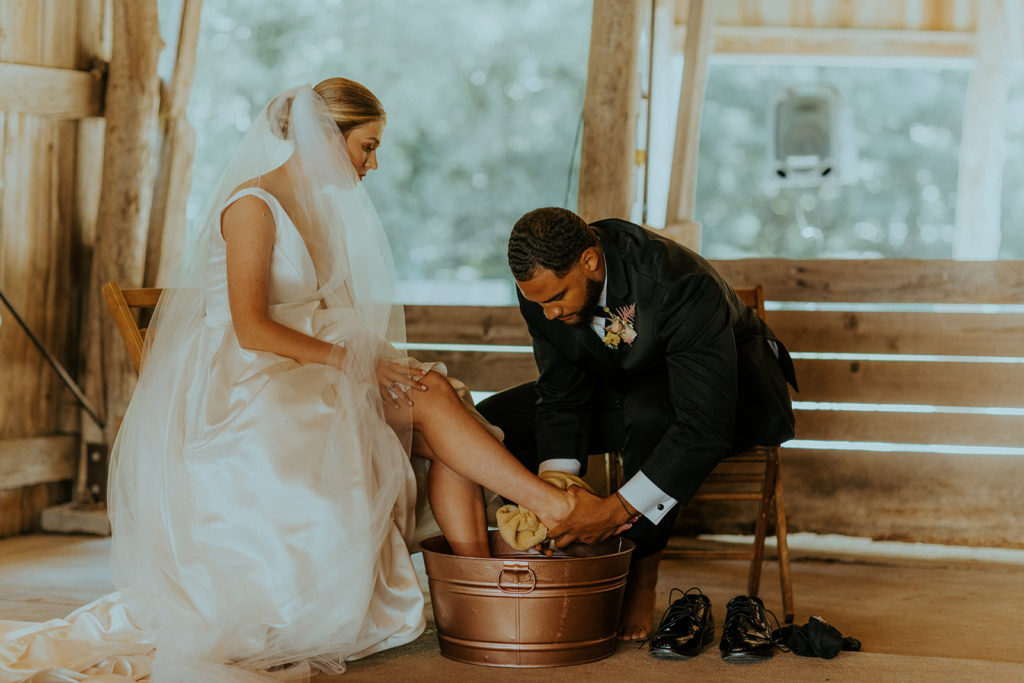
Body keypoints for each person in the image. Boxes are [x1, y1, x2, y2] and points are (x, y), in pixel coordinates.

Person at [0, 80, 572, 682]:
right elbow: (251, 329)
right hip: (251, 379)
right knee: (434, 410)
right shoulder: (253, 205)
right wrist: (359, 367)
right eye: (367, 147)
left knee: (438, 393)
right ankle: (547, 511)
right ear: (326, 136)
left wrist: (389, 365)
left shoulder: (325, 210)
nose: (373, 164)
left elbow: (345, 316)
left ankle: (479, 585)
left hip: (320, 362)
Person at [477, 207, 798, 640]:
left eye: (556, 299)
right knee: (490, 424)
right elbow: (562, 389)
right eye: (538, 302)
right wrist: (558, 481)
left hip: (731, 395)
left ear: (590, 261)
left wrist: (612, 512)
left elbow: (703, 425)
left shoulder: (681, 285)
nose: (548, 314)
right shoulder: (543, 289)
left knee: (651, 415)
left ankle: (641, 570)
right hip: (629, 381)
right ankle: (558, 552)